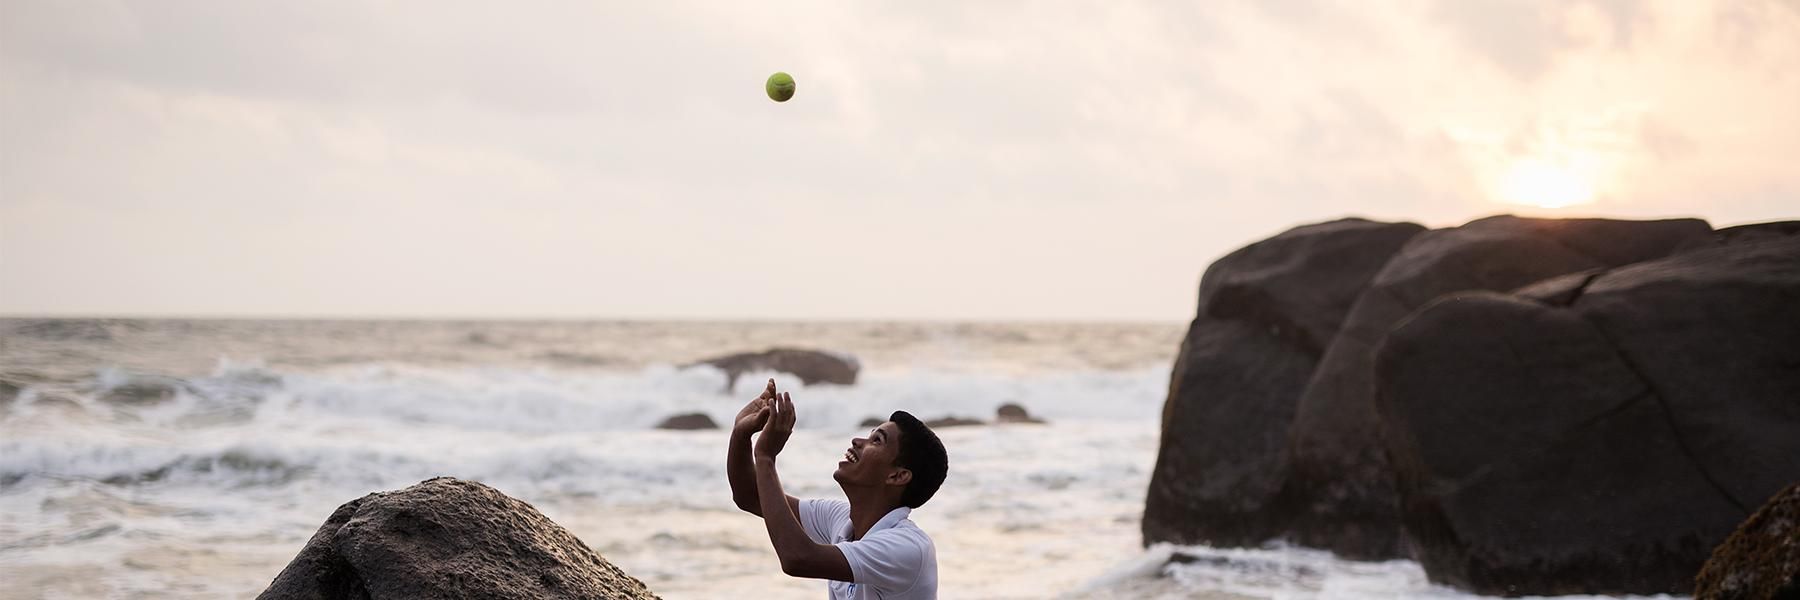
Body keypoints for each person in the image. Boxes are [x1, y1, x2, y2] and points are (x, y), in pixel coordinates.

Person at [727, 379, 948, 599]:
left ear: (897, 476)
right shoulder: (842, 519)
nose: (857, 441)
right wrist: (740, 433)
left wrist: (766, 457)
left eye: (877, 440)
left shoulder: (908, 548)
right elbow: (750, 496)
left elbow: (797, 558)